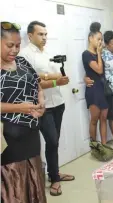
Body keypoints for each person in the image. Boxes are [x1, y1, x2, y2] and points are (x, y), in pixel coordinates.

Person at [19, 21, 74, 196]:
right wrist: (56, 81)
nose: (44, 37)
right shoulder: (25, 55)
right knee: (52, 141)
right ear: (30, 36)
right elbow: (32, 83)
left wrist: (61, 79)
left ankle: (54, 174)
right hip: (44, 107)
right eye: (40, 34)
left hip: (58, 102)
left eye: (45, 34)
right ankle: (55, 180)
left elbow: (52, 75)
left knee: (54, 142)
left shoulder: (47, 52)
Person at [1, 21, 46, 202]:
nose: (15, 50)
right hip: (8, 138)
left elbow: (37, 85)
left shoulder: (21, 61)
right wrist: (21, 107)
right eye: (10, 45)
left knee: (33, 177)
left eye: (18, 46)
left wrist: (40, 102)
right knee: (14, 185)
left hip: (31, 133)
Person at [82, 22, 109, 145]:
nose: (100, 42)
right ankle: (94, 146)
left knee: (104, 118)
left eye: (101, 40)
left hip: (102, 88)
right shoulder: (86, 54)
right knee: (94, 119)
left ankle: (104, 145)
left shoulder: (100, 53)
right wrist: (98, 53)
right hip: (93, 89)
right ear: (90, 38)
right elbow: (99, 70)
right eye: (98, 39)